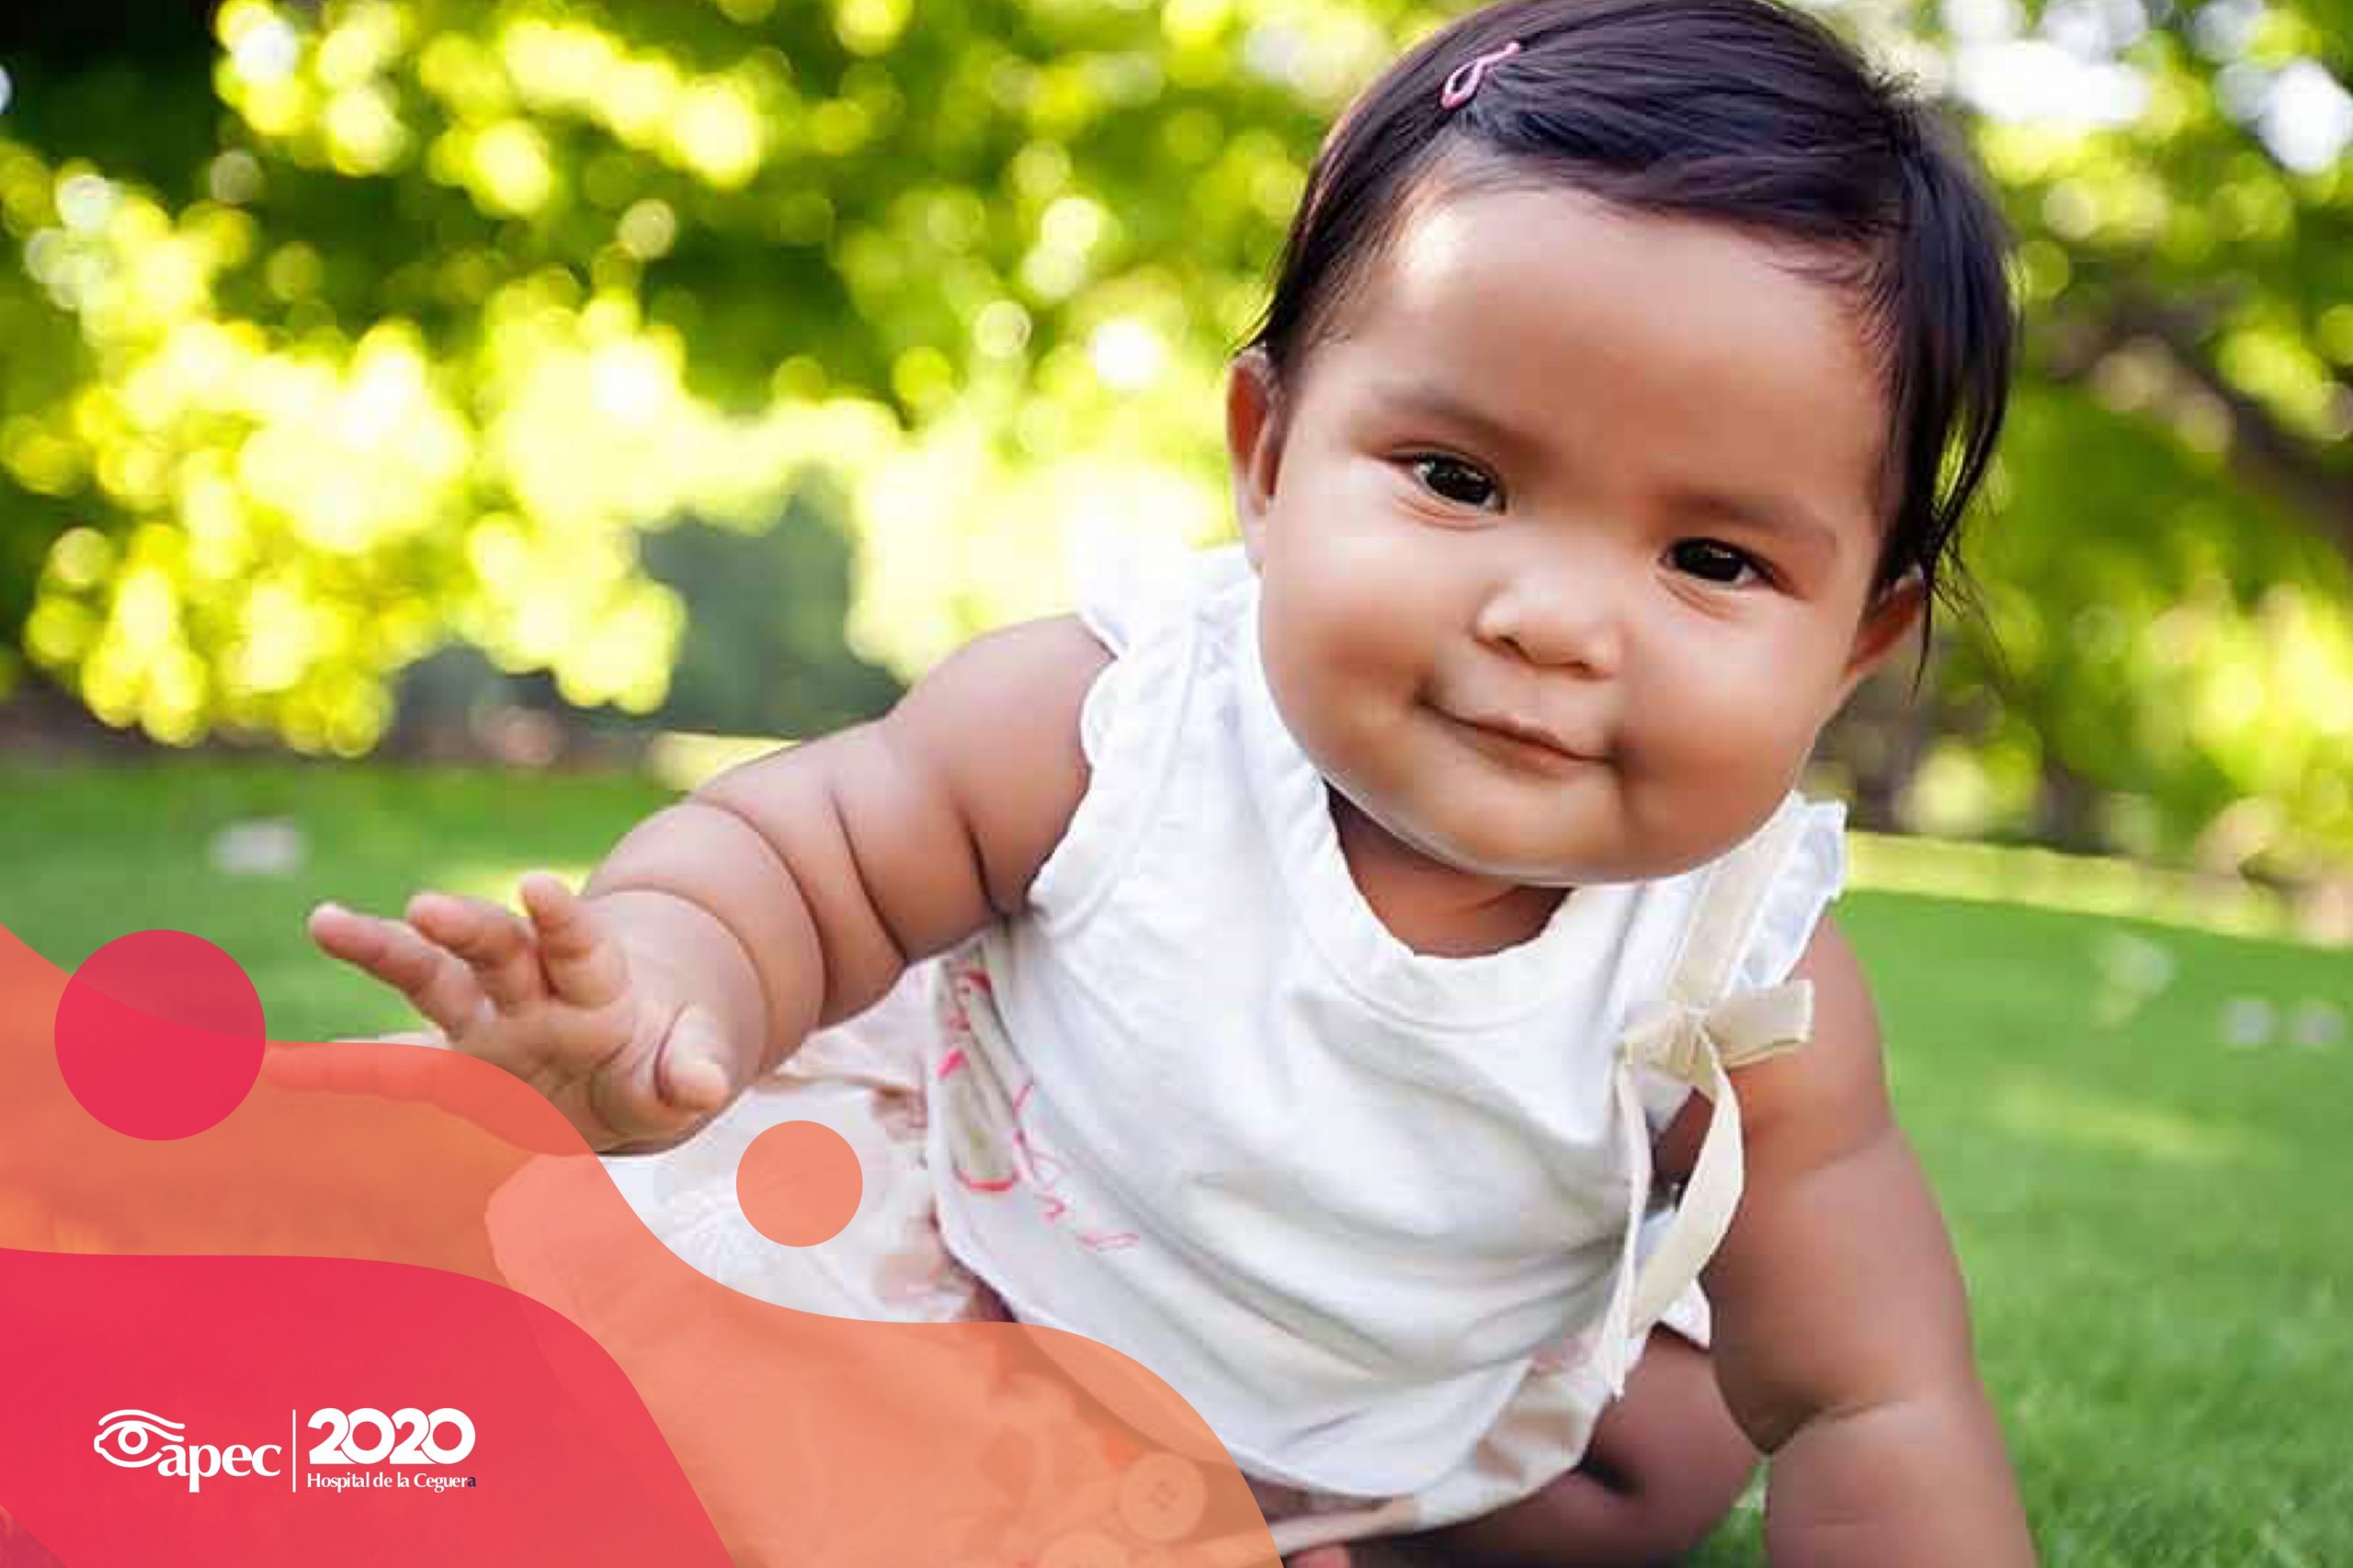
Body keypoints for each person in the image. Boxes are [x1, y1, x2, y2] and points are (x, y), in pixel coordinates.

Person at [311, 0, 2037, 1561]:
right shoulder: (1108, 722)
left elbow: (1872, 1396)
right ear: (1270, 461)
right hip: (986, 1269)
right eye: (1457, 476)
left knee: (1662, 1456)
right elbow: (801, 859)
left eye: (1715, 562)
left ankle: (1285, 1513)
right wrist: (663, 1000)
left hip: (1398, 1393)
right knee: (687, 1337)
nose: (1555, 621)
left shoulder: (1749, 986)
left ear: (1856, 644)